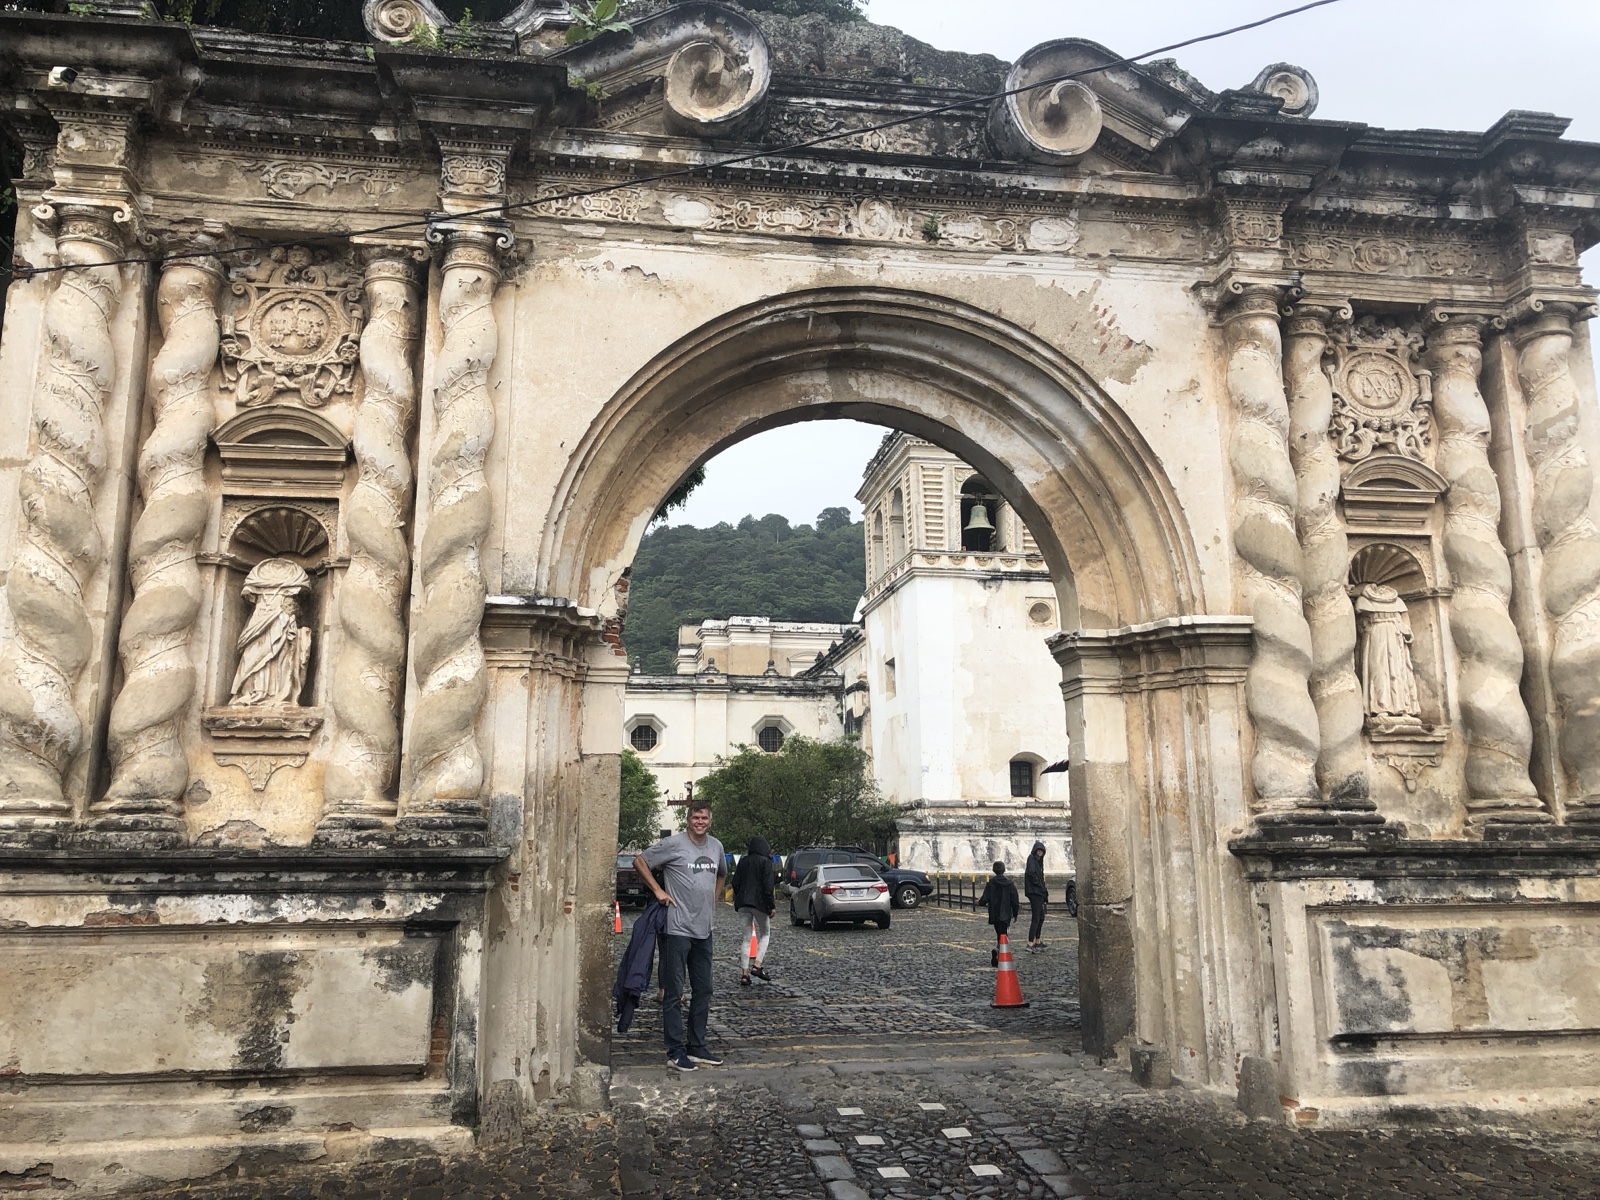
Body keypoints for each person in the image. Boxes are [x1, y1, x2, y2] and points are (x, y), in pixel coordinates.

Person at [634, 798, 726, 1073]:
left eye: (704, 818)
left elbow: (722, 874)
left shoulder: (716, 846)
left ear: (710, 821)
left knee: (704, 989)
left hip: (704, 929)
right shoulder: (673, 844)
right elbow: (640, 861)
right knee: (674, 991)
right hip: (677, 928)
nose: (700, 822)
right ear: (688, 821)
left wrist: (713, 899)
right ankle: (675, 1050)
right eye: (695, 818)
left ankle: (697, 1045)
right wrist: (658, 891)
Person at [730, 834, 777, 986]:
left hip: (743, 903)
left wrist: (739, 896)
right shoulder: (766, 862)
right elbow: (768, 887)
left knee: (746, 938)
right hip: (759, 904)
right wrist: (771, 906)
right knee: (765, 934)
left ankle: (744, 974)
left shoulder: (743, 861)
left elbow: (735, 882)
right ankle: (757, 965)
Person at [977, 860, 1021, 969]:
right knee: (1004, 934)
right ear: (1004, 870)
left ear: (993, 870)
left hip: (995, 914)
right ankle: (999, 952)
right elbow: (1015, 900)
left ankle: (998, 952)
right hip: (1006, 914)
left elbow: (984, 899)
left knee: (999, 933)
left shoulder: (991, 883)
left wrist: (978, 902)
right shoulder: (1010, 884)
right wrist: (1015, 913)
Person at [1023, 841, 1049, 951]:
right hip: (1034, 892)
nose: (1040, 853)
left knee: (1041, 917)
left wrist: (1043, 890)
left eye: (1041, 851)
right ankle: (1030, 943)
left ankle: (1037, 941)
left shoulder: (1038, 861)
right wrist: (1039, 886)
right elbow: (1032, 874)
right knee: (1036, 917)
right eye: (1038, 851)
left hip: (1038, 891)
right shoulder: (1032, 859)